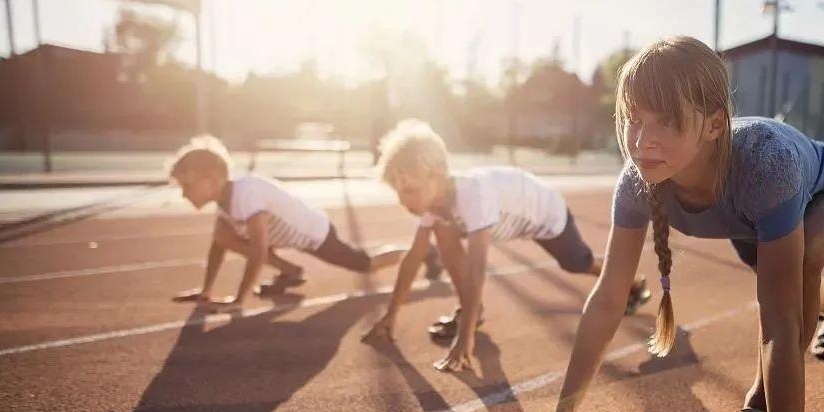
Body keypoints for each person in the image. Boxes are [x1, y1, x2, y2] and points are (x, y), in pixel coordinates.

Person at [499, 36, 824, 412]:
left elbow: (780, 329)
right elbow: (608, 297)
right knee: (785, 272)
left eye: (668, 121)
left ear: (715, 123)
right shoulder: (637, 181)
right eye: (635, 118)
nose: (643, 140)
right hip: (755, 225)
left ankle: (758, 406)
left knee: (798, 269)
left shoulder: (767, 165)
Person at [362, 119, 652, 371]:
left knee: (576, 263)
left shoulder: (471, 194)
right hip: (511, 216)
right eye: (398, 193)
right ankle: (471, 311)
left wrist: (465, 338)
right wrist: (390, 316)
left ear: (436, 175)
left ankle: (632, 284)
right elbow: (413, 259)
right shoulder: (434, 205)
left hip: (545, 214)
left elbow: (477, 269)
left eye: (409, 190)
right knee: (443, 232)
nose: (404, 201)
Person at [167, 135, 426, 312]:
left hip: (315, 233)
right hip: (286, 237)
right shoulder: (225, 201)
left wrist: (238, 300)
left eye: (188, 185)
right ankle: (290, 271)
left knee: (366, 265)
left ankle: (425, 253)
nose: (183, 193)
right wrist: (205, 290)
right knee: (223, 236)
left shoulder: (245, 194)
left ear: (213, 179)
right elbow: (218, 246)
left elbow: (258, 250)